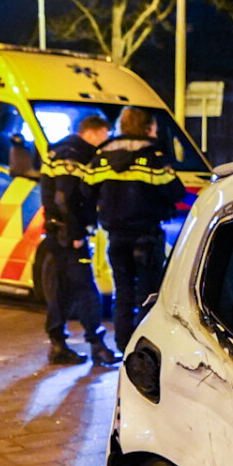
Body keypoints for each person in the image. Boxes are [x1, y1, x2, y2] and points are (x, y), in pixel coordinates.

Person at [90, 107, 184, 350]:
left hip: (116, 236)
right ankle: (144, 348)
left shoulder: (102, 155)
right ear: (146, 128)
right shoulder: (154, 156)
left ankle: (123, 344)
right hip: (146, 235)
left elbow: (85, 190)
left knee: (122, 292)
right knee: (147, 295)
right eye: (153, 127)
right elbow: (176, 192)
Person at [39, 114, 120, 366]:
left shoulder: (61, 150)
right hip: (67, 233)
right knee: (85, 288)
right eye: (105, 135)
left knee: (62, 289)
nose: (105, 141)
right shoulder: (73, 153)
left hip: (59, 231)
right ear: (93, 132)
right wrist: (76, 233)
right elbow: (65, 197)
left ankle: (58, 344)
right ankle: (97, 345)